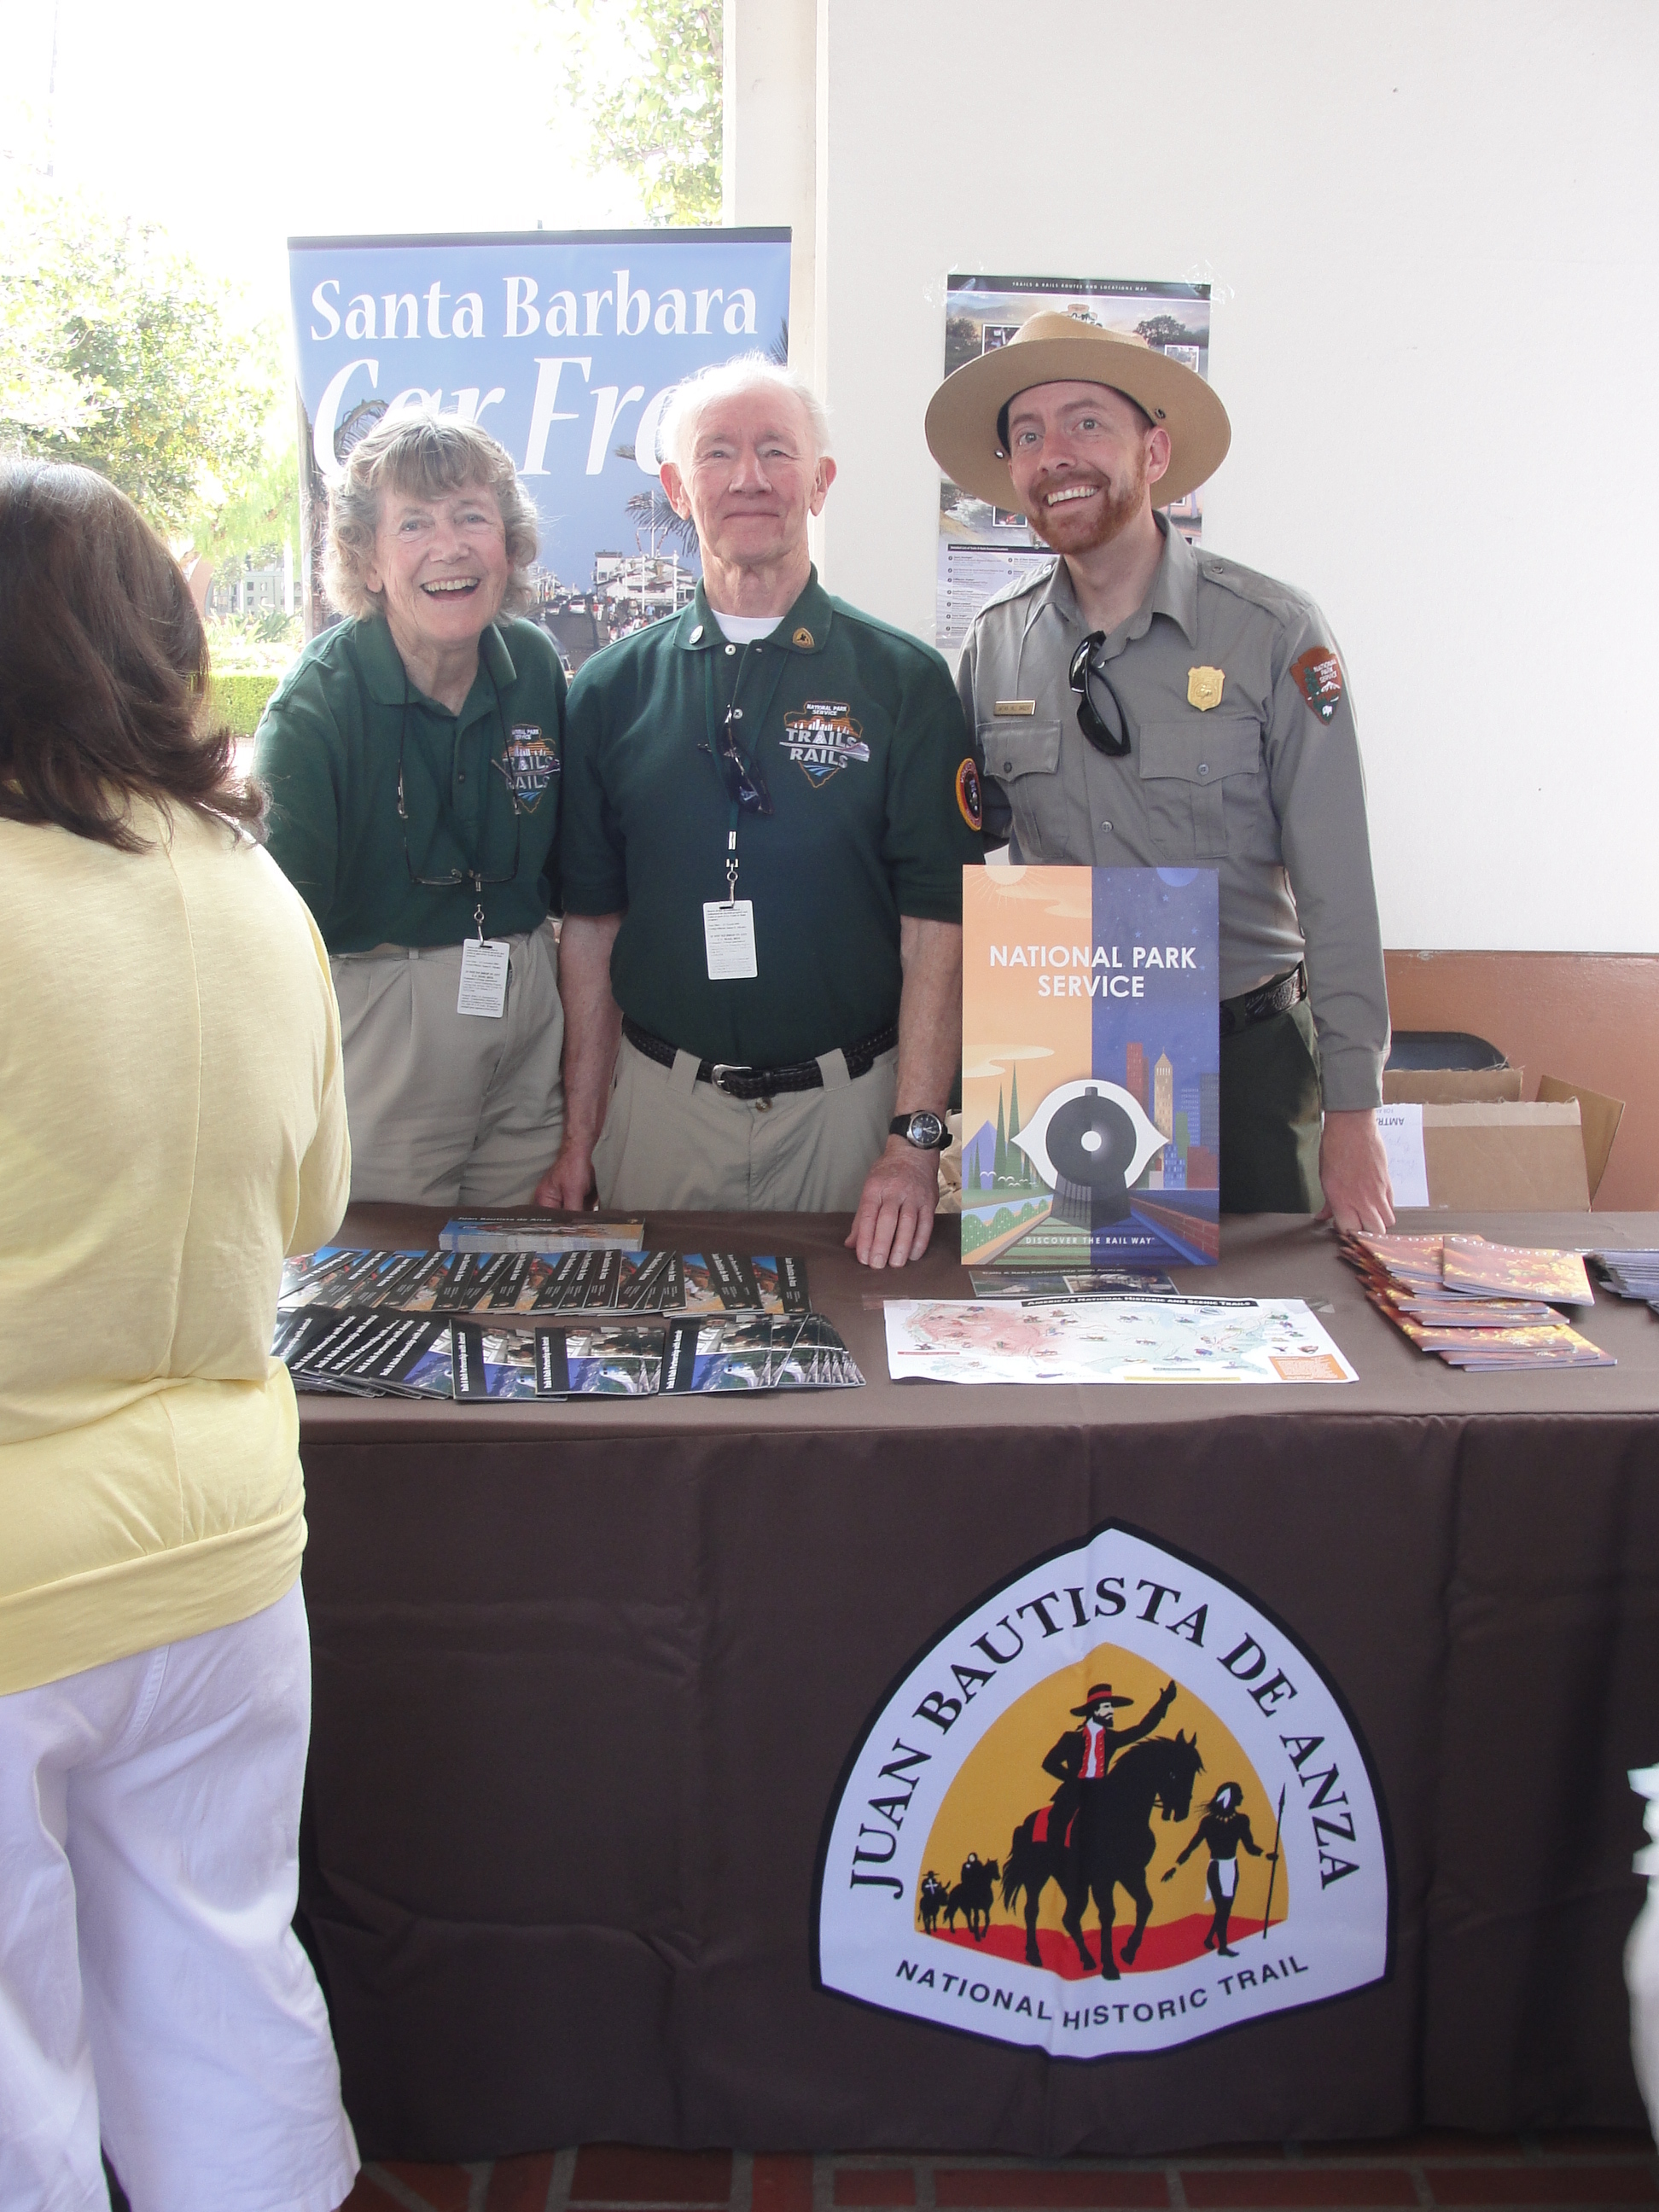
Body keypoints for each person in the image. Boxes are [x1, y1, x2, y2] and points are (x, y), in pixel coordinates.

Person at [0, 463, 358, 2211]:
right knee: (223, 1988)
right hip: (225, 1549)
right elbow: (306, 1212)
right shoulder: (247, 883)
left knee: (17, 2072)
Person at [928, 313, 1394, 1231]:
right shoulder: (993, 649)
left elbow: (1339, 888)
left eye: (1086, 422)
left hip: (1245, 1072)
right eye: (1028, 435)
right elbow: (959, 876)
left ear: (1155, 450)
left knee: (1267, 1355)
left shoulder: (1272, 633)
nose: (1055, 453)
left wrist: (1354, 1109)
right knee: (1058, 1353)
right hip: (1060, 1065)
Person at [538, 356, 983, 1268]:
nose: (749, 477)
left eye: (777, 452)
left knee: (848, 1393)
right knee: (654, 1385)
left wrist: (914, 1140)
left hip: (848, 1119)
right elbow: (589, 930)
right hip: (661, 1116)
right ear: (676, 487)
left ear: (819, 483)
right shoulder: (611, 690)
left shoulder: (903, 683)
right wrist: (581, 1136)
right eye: (718, 454)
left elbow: (938, 923)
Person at [256, 411, 567, 1208]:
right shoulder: (316, 708)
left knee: (520, 1273)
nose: (450, 546)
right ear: (366, 561)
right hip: (388, 1016)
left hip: (527, 1006)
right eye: (415, 523)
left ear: (510, 544)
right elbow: (280, 945)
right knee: (390, 1276)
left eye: (473, 517)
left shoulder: (533, 666)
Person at [1161, 1780, 1274, 1957]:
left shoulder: (1241, 1821)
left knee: (1225, 1910)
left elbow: (1250, 1847)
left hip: (1232, 1868)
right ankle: (1222, 1947)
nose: (1242, 1798)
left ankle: (1209, 1939)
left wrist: (1266, 1854)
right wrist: (1175, 1867)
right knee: (1222, 1909)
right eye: (1239, 1795)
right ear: (1230, 1798)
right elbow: (1192, 1846)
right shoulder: (1209, 1823)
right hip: (1215, 1868)